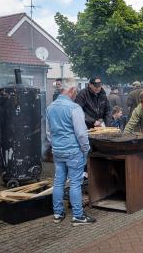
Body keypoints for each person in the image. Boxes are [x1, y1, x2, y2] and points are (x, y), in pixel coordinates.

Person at [46, 78, 96, 226]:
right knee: (75, 183)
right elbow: (81, 134)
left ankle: (57, 213)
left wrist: (56, 145)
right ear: (71, 90)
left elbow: (49, 132)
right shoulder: (74, 108)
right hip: (73, 151)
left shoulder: (50, 107)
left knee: (59, 181)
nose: (76, 94)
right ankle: (78, 216)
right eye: (76, 91)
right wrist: (86, 149)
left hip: (57, 150)